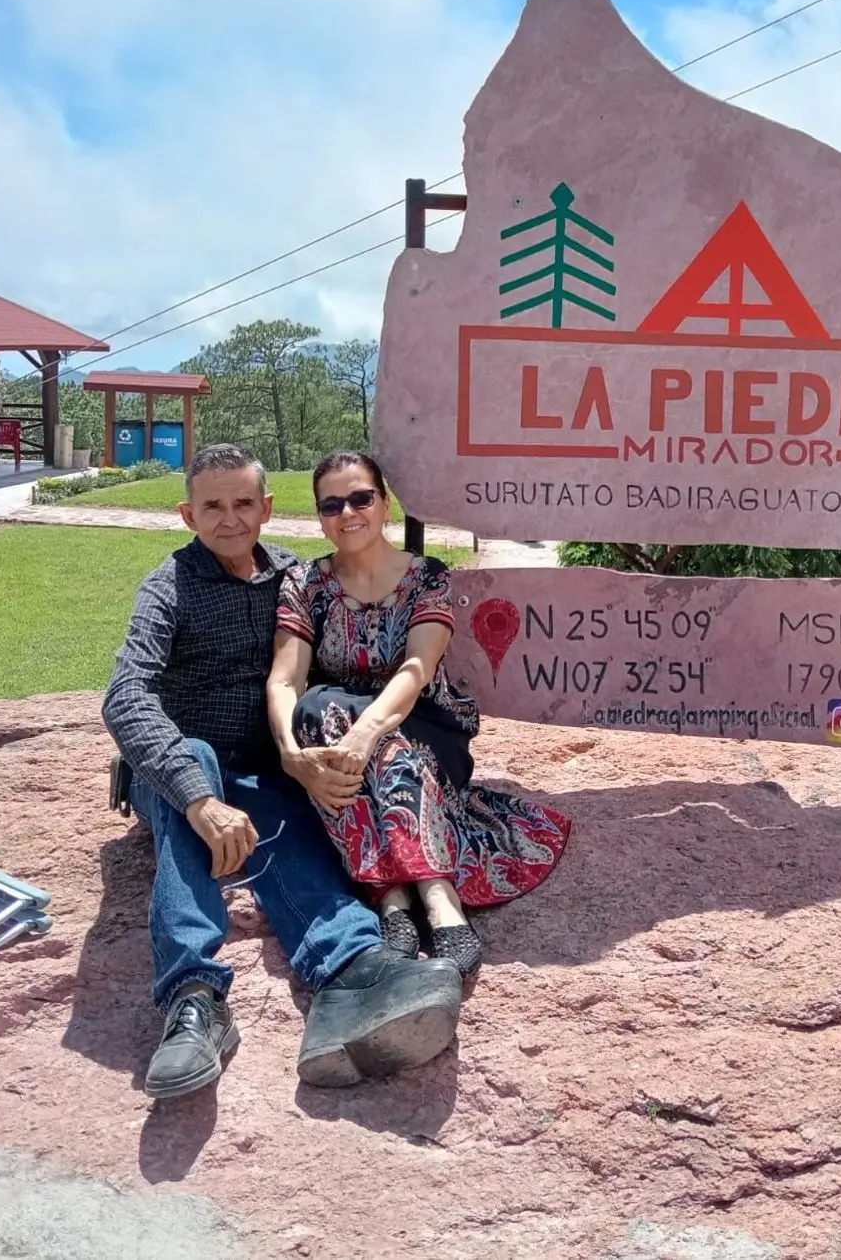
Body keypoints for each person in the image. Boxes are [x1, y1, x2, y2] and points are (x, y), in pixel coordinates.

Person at [102, 442, 462, 1102]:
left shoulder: (295, 577)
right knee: (203, 765)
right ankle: (194, 997)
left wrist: (330, 752)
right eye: (213, 506)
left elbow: (321, 667)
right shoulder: (168, 588)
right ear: (188, 514)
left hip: (264, 769)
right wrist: (194, 796)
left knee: (290, 820)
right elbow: (125, 695)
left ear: (267, 508)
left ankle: (356, 970)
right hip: (182, 771)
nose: (230, 519)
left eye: (244, 503)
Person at [267, 451, 570, 980]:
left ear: (385, 504)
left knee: (387, 741)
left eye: (361, 497)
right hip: (343, 726)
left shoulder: (426, 577)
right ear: (319, 516)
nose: (347, 512)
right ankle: (392, 897)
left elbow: (416, 667)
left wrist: (366, 732)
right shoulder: (305, 584)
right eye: (331, 504)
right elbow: (285, 679)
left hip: (425, 721)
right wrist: (292, 757)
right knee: (316, 711)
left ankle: (435, 896)